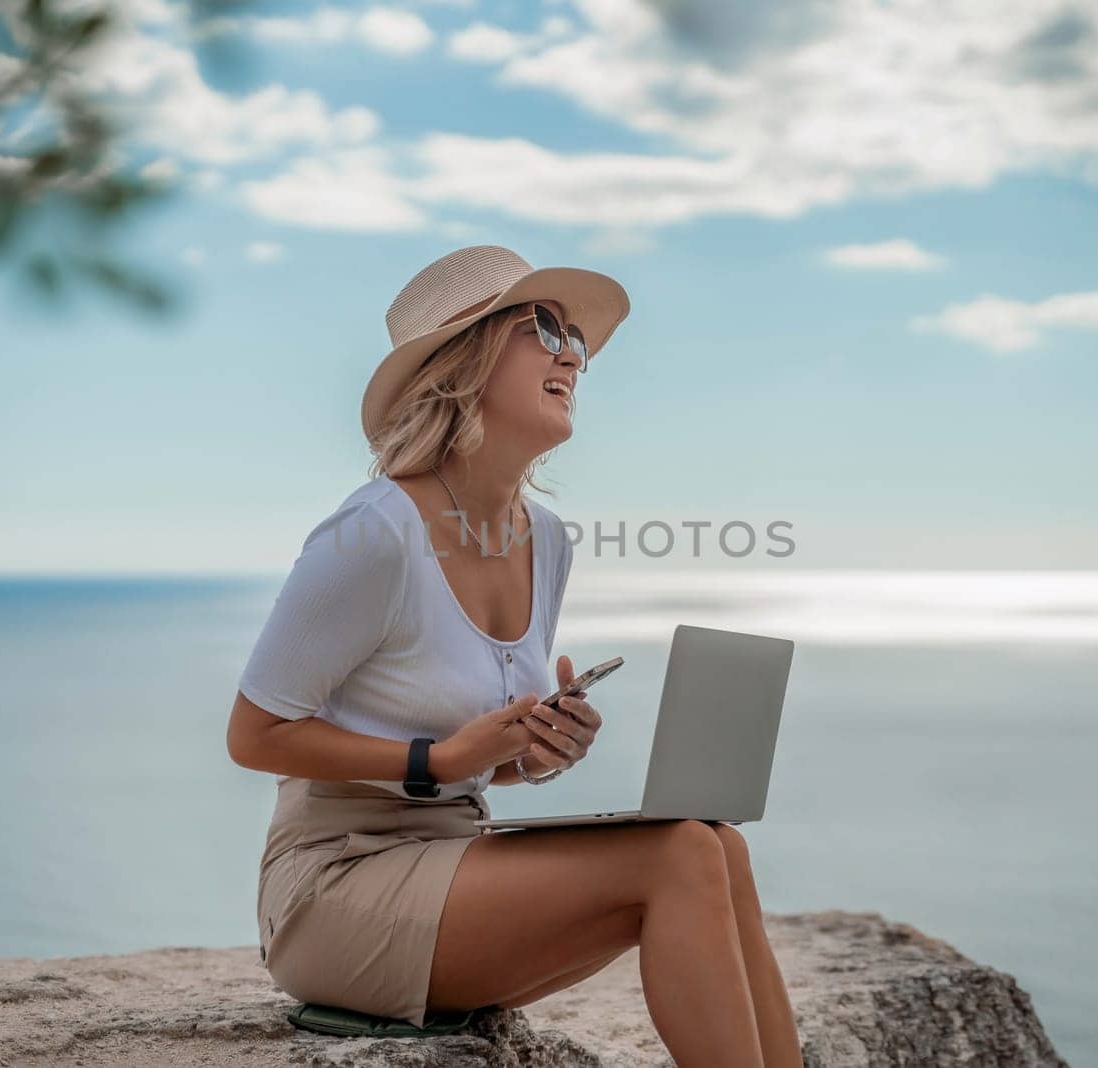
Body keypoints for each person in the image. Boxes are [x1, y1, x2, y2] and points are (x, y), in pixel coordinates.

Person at [225, 245, 802, 1066]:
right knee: (676, 856)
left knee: (717, 844)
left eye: (577, 337)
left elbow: (477, 757)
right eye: (543, 326)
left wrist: (527, 755)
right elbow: (254, 737)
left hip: (455, 859)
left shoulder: (549, 541)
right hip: (338, 885)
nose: (572, 352)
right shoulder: (373, 534)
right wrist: (437, 759)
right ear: (464, 361)